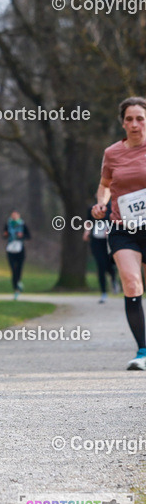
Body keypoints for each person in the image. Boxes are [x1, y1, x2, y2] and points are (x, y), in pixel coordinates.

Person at [91, 96, 146, 370]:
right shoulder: (112, 153)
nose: (134, 124)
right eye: (129, 119)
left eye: (140, 118)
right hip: (123, 228)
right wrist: (101, 203)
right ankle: (142, 351)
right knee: (132, 283)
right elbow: (105, 185)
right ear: (122, 123)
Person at [83, 199, 119, 303]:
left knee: (109, 264)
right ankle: (103, 293)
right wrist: (86, 231)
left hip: (108, 241)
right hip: (96, 240)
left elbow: (116, 221)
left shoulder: (112, 207)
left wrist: (111, 230)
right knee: (100, 265)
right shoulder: (92, 208)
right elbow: (88, 222)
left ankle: (113, 278)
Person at [2, 210, 31, 300]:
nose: (14, 216)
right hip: (10, 249)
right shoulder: (8, 224)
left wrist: (21, 236)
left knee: (19, 268)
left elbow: (29, 236)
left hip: (20, 249)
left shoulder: (23, 225)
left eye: (16, 215)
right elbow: (4, 236)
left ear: (19, 216)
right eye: (13, 215)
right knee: (13, 269)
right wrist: (5, 235)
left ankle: (18, 283)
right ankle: (16, 288)